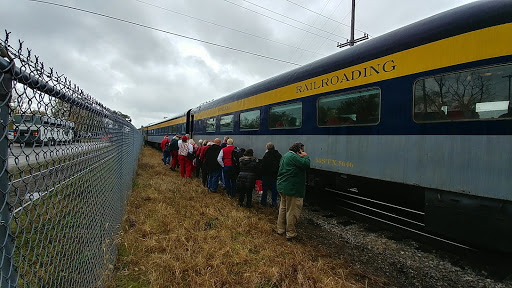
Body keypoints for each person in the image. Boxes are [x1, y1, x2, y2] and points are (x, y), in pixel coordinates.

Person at [276, 142, 310, 241]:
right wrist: (306, 156)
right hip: (291, 188)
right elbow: (306, 164)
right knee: (292, 210)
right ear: (298, 150)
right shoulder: (294, 157)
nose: (303, 152)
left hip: (283, 187)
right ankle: (290, 233)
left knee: (283, 208)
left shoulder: (286, 155)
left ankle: (280, 229)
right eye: (302, 150)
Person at [260, 142, 282, 207]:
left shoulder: (266, 155)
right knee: (274, 189)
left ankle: (263, 202)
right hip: (275, 175)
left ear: (267, 148)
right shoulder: (278, 155)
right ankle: (274, 202)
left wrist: (261, 174)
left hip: (266, 175)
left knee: (265, 189)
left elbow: (263, 166)